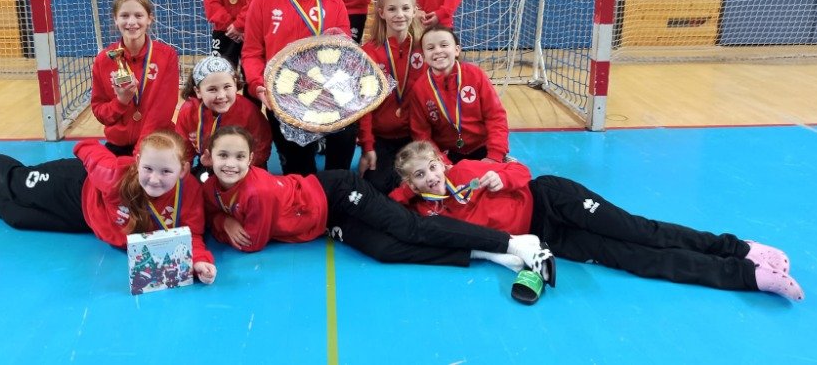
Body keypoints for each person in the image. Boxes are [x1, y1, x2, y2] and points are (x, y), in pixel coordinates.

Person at [389, 141, 804, 301]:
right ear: (410, 183)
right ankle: (749, 277)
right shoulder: (423, 210)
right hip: (547, 237)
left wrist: (503, 177)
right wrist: (406, 193)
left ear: (442, 162)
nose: (431, 178)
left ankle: (740, 248)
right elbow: (387, 207)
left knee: (639, 231)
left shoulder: (466, 170)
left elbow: (522, 172)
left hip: (552, 199)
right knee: (631, 258)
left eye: (432, 167)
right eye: (419, 176)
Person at [198, 126, 555, 280]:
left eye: (239, 157)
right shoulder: (211, 186)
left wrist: (222, 225)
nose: (231, 164)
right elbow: (212, 207)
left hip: (335, 192)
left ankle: (514, 243)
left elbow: (254, 242)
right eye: (223, 156)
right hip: (325, 221)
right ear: (208, 159)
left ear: (252, 160)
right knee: (385, 250)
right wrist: (221, 219)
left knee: (409, 227)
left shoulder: (256, 191)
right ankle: (488, 253)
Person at [0, 131, 217, 284]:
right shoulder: (114, 175)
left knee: (17, 217)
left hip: (87, 220)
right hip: (75, 184)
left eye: (166, 172)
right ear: (138, 163)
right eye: (148, 169)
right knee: (18, 185)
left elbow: (191, 235)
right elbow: (86, 147)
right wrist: (94, 163)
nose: (154, 179)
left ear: (182, 170)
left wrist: (200, 262)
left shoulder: (188, 192)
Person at [241, 0, 355, 175]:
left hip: (328, 96)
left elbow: (345, 56)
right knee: (299, 173)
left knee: (341, 160)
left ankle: (337, 188)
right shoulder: (263, 1)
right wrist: (259, 86)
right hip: (283, 99)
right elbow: (251, 53)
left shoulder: (335, 4)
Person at [91, 0, 179, 156]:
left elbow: (162, 111)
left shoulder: (167, 56)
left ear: (149, 19)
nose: (131, 22)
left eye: (138, 15)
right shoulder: (103, 60)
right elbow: (100, 112)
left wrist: (140, 152)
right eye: (124, 16)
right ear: (115, 19)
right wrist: (121, 101)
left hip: (155, 143)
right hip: (118, 144)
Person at [357, 0, 426, 195]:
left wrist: (428, 145)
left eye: (405, 8)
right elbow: (364, 105)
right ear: (381, 13)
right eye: (392, 9)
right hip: (381, 137)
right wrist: (368, 147)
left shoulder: (424, 48)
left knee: (418, 186)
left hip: (415, 136)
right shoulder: (369, 52)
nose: (399, 15)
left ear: (414, 11)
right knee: (377, 187)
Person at [407, 25, 510, 163]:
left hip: (484, 148)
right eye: (430, 48)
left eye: (444, 45)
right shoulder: (420, 89)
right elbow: (422, 135)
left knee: (517, 174)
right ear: (424, 56)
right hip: (446, 154)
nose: (438, 51)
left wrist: (495, 155)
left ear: (457, 50)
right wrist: (443, 163)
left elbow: (495, 117)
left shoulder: (475, 75)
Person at [174, 55, 271, 172]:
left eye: (227, 87)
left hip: (243, 167)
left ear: (235, 84)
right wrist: (183, 174)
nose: (221, 96)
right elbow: (183, 149)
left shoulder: (249, 111)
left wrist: (241, 168)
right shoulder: (188, 111)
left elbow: (261, 146)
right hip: (207, 162)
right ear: (198, 91)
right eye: (212, 89)